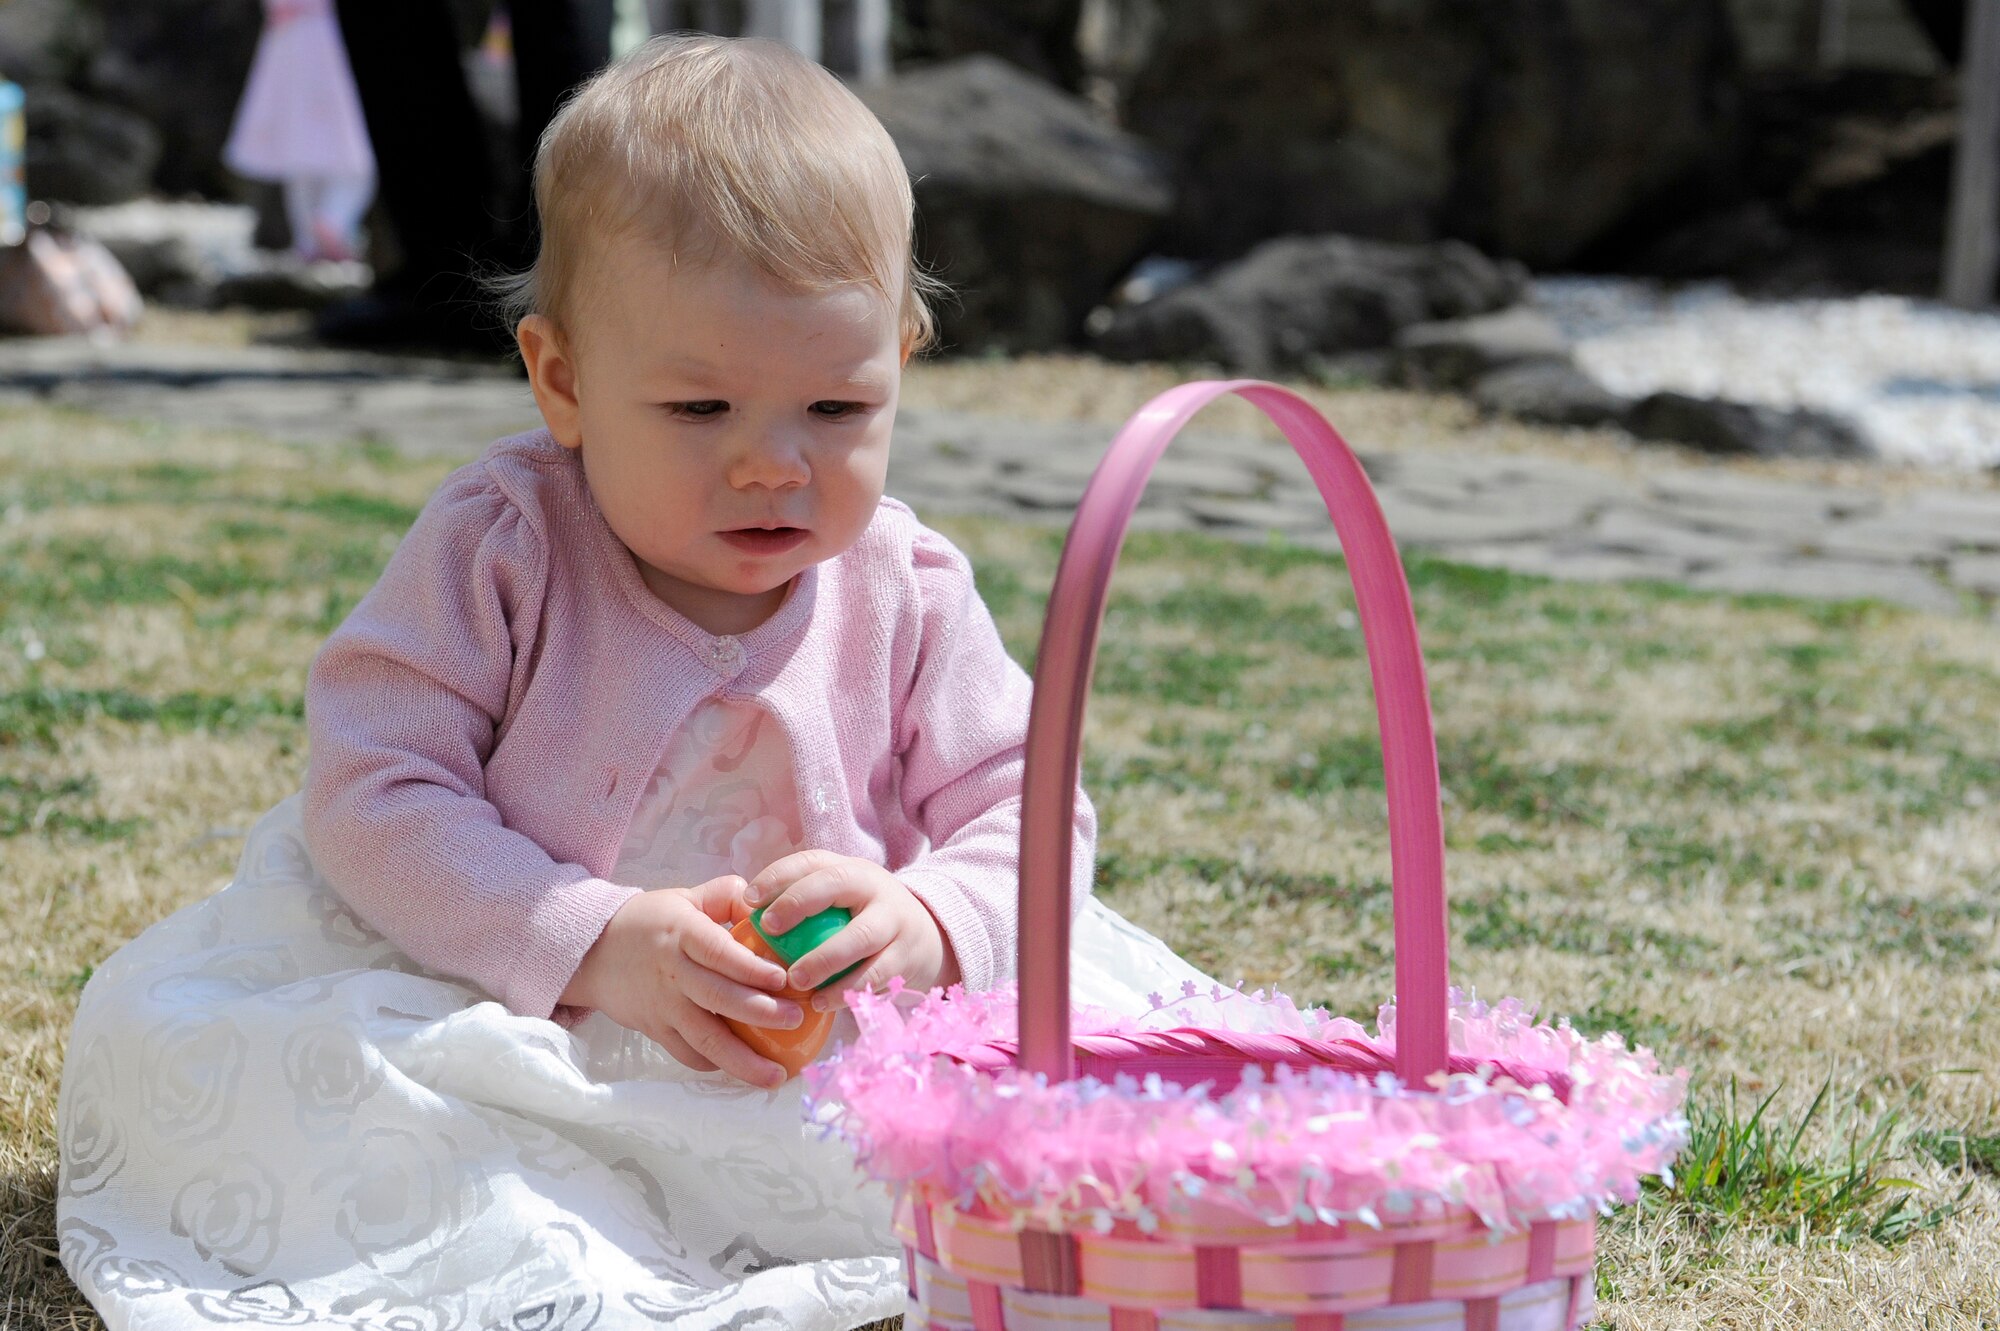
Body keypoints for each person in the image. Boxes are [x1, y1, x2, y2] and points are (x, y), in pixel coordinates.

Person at [55, 34, 1210, 1330]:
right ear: (564, 378)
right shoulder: (506, 539)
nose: (774, 463)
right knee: (374, 1114)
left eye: (836, 410)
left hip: (810, 1033)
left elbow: (1029, 806)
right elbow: (375, 784)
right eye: (700, 410)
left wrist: (928, 916)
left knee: (1057, 1122)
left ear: (903, 356)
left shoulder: (908, 581)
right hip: (507, 989)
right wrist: (592, 940)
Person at [223, 0, 377, 263]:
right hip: (326, 40)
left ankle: (307, 241)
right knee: (356, 150)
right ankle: (334, 220)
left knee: (296, 150)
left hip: (286, 42)